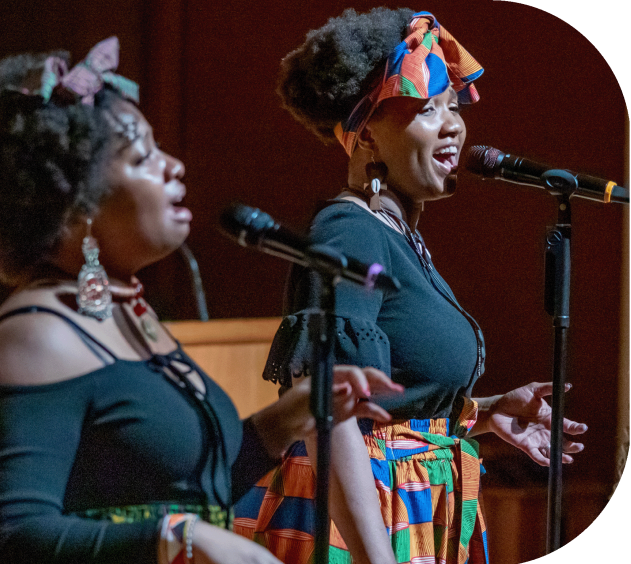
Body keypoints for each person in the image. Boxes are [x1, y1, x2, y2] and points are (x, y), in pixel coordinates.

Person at [0, 36, 403, 564]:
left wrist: (289, 418)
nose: (173, 165)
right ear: (77, 204)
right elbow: (7, 542)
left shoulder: (128, 316)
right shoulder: (34, 336)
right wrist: (179, 537)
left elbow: (190, 491)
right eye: (142, 156)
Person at [233, 8, 589, 564]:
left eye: (453, 106)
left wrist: (486, 413)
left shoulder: (396, 235)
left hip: (410, 507)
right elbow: (329, 414)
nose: (453, 125)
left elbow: (391, 404)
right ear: (367, 134)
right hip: (365, 518)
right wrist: (377, 554)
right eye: (427, 109)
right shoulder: (351, 230)